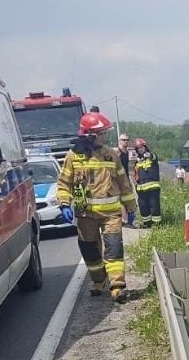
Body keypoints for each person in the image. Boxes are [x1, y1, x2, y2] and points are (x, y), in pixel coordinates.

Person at [56, 112, 138, 302]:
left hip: (111, 214)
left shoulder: (111, 155)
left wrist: (131, 207)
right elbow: (64, 183)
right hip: (85, 215)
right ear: (90, 135)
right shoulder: (73, 156)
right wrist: (64, 204)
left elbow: (123, 182)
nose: (105, 137)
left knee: (114, 248)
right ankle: (98, 281)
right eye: (102, 133)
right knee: (89, 251)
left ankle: (117, 286)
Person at [132, 138, 162, 228]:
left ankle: (156, 224)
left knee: (154, 206)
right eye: (138, 148)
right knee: (143, 207)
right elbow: (135, 174)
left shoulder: (152, 157)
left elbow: (154, 157)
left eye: (142, 147)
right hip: (141, 189)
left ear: (145, 147)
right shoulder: (137, 161)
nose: (140, 149)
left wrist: (149, 155)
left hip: (153, 188)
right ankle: (147, 223)